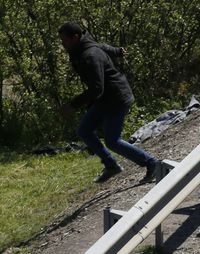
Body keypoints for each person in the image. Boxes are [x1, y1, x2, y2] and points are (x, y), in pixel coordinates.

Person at [58, 22, 158, 183]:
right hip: (104, 99)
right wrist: (117, 51)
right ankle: (111, 165)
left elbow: (97, 88)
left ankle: (152, 163)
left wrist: (73, 105)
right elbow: (103, 46)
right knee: (84, 130)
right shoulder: (83, 46)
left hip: (117, 99)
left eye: (65, 40)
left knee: (112, 140)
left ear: (75, 37)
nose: (63, 44)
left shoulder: (90, 55)